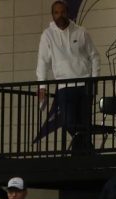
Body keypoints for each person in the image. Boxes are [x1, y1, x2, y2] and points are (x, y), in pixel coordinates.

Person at [36, 2, 100, 153]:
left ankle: (80, 156)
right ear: (53, 15)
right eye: (56, 13)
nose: (60, 16)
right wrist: (42, 87)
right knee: (69, 123)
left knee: (84, 123)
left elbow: (95, 56)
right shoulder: (47, 35)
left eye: (62, 12)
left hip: (84, 84)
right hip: (64, 86)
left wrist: (94, 80)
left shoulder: (81, 31)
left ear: (68, 13)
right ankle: (86, 151)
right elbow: (42, 62)